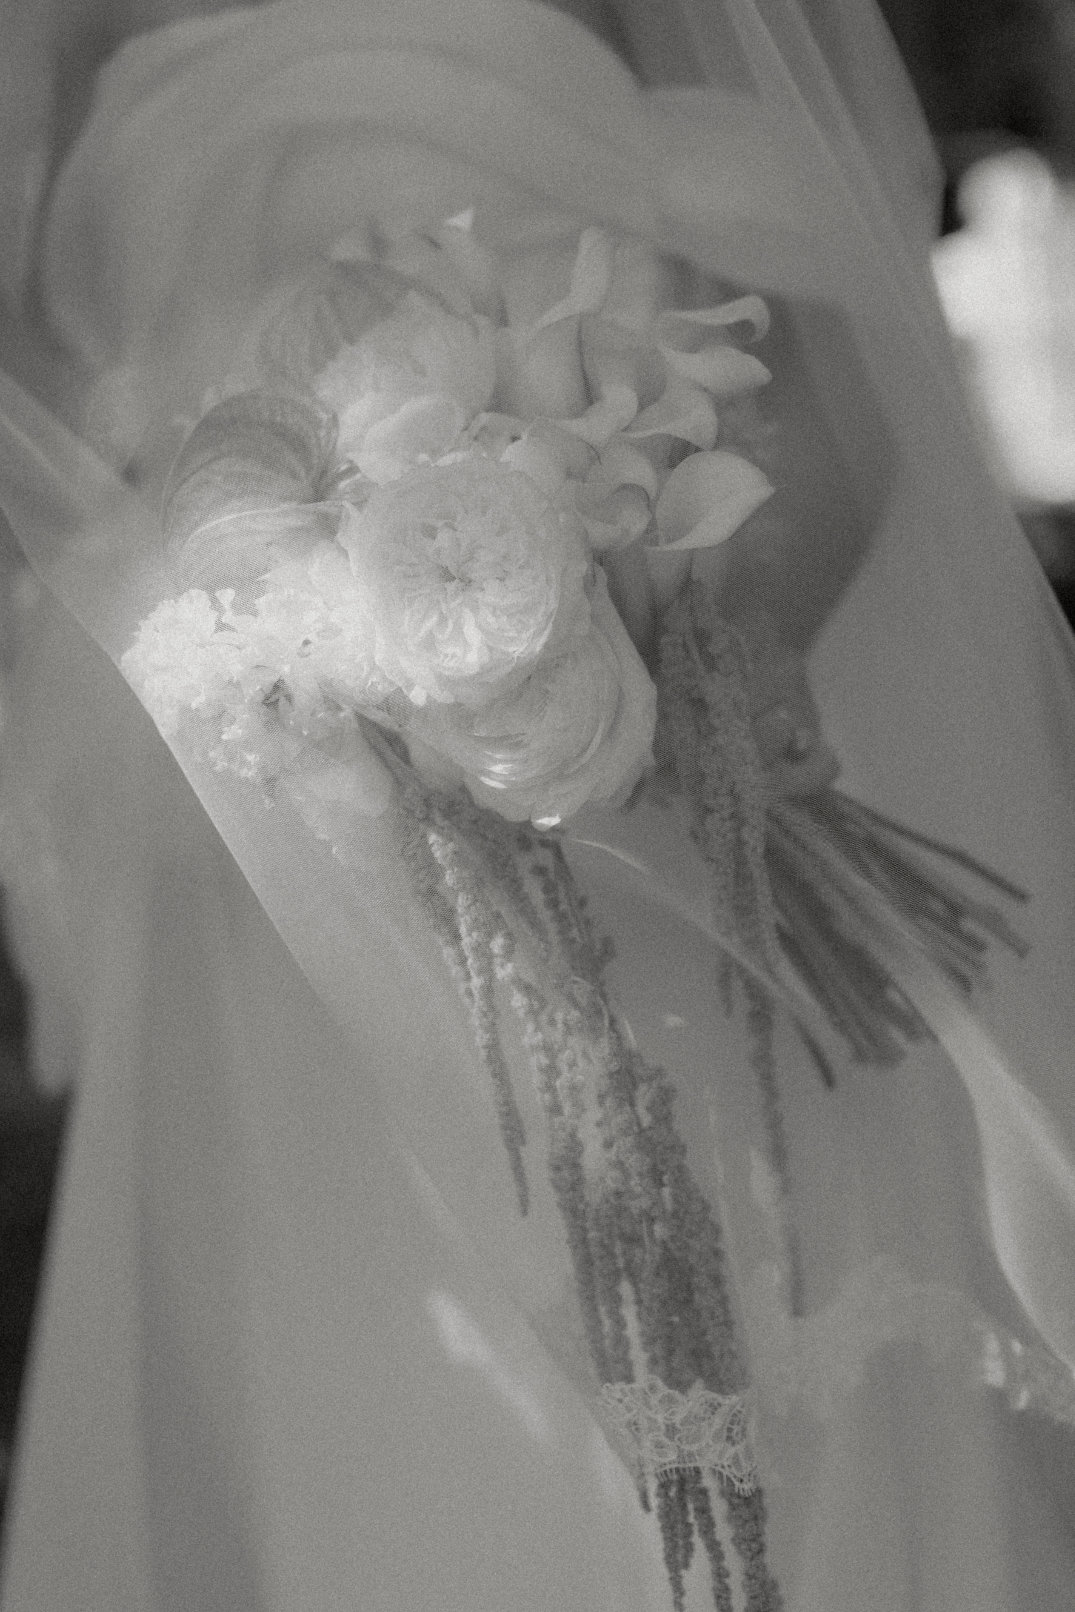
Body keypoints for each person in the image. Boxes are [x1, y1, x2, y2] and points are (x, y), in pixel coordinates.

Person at [1, 1, 1074, 1607]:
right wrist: (273, 640)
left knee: (737, 1383)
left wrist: (660, 637)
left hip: (660, 853)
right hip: (260, 879)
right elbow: (60, 422)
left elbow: (850, 373)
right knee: (375, 1438)